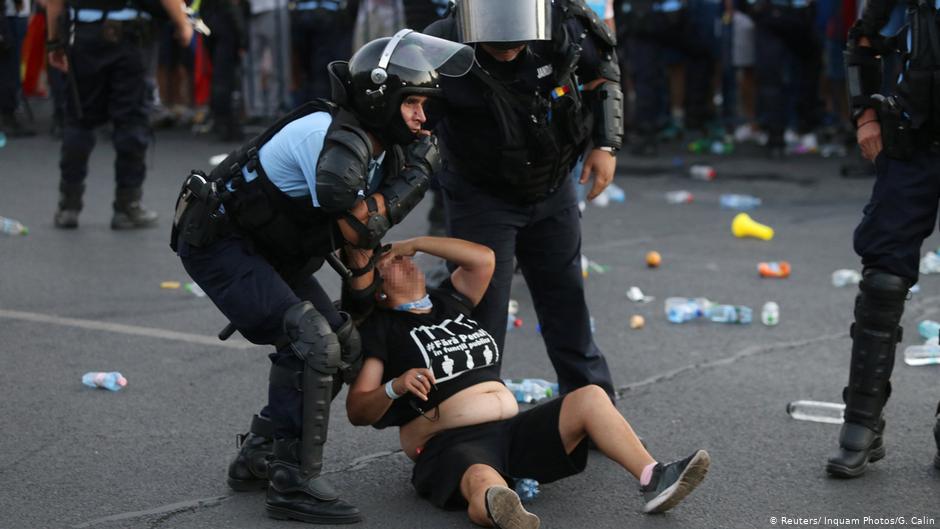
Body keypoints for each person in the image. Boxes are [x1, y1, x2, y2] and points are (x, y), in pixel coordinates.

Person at [170, 31, 473, 523]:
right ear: (379, 99)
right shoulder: (326, 137)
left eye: (424, 105)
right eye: (412, 103)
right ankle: (293, 482)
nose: (422, 117)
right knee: (310, 339)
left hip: (275, 249)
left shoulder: (383, 150)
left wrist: (358, 315)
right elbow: (359, 225)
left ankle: (261, 454)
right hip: (222, 244)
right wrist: (418, 177)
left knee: (341, 342)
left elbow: (361, 246)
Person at [346, 236, 711, 528]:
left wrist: (416, 243)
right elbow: (358, 409)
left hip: (511, 431)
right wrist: (395, 386)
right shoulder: (384, 329)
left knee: (590, 396)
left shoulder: (448, 302)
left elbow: (484, 259)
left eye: (401, 255)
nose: (403, 259)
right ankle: (504, 512)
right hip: (451, 444)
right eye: (390, 262)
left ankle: (654, 477)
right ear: (379, 291)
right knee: (481, 477)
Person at [424, 0, 623, 401]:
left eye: (517, 42)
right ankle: (473, 417)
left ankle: (592, 408)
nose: (508, 49)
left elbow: (602, 72)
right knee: (482, 316)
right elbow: (409, 125)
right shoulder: (437, 45)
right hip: (481, 196)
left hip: (553, 184)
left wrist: (606, 144)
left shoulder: (563, 23)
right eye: (498, 43)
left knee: (566, 303)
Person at [826, 1, 940, 478]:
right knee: (884, 278)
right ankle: (861, 422)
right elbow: (863, 39)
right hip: (913, 139)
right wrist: (866, 116)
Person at [45, 0, 192, 229]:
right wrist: (182, 23)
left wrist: (54, 41)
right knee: (131, 121)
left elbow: (54, 2)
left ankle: (68, 205)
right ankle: (127, 206)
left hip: (83, 34)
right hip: (129, 37)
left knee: (78, 119)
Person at [742, 0, 823, 157]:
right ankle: (787, 131)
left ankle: (784, 131)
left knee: (783, 78)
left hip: (782, 15)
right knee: (778, 78)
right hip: (782, 15)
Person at [0, 0, 36, 137]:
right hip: (10, 15)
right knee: (9, 69)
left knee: (10, 68)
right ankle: (8, 115)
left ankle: (9, 113)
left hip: (14, 14)